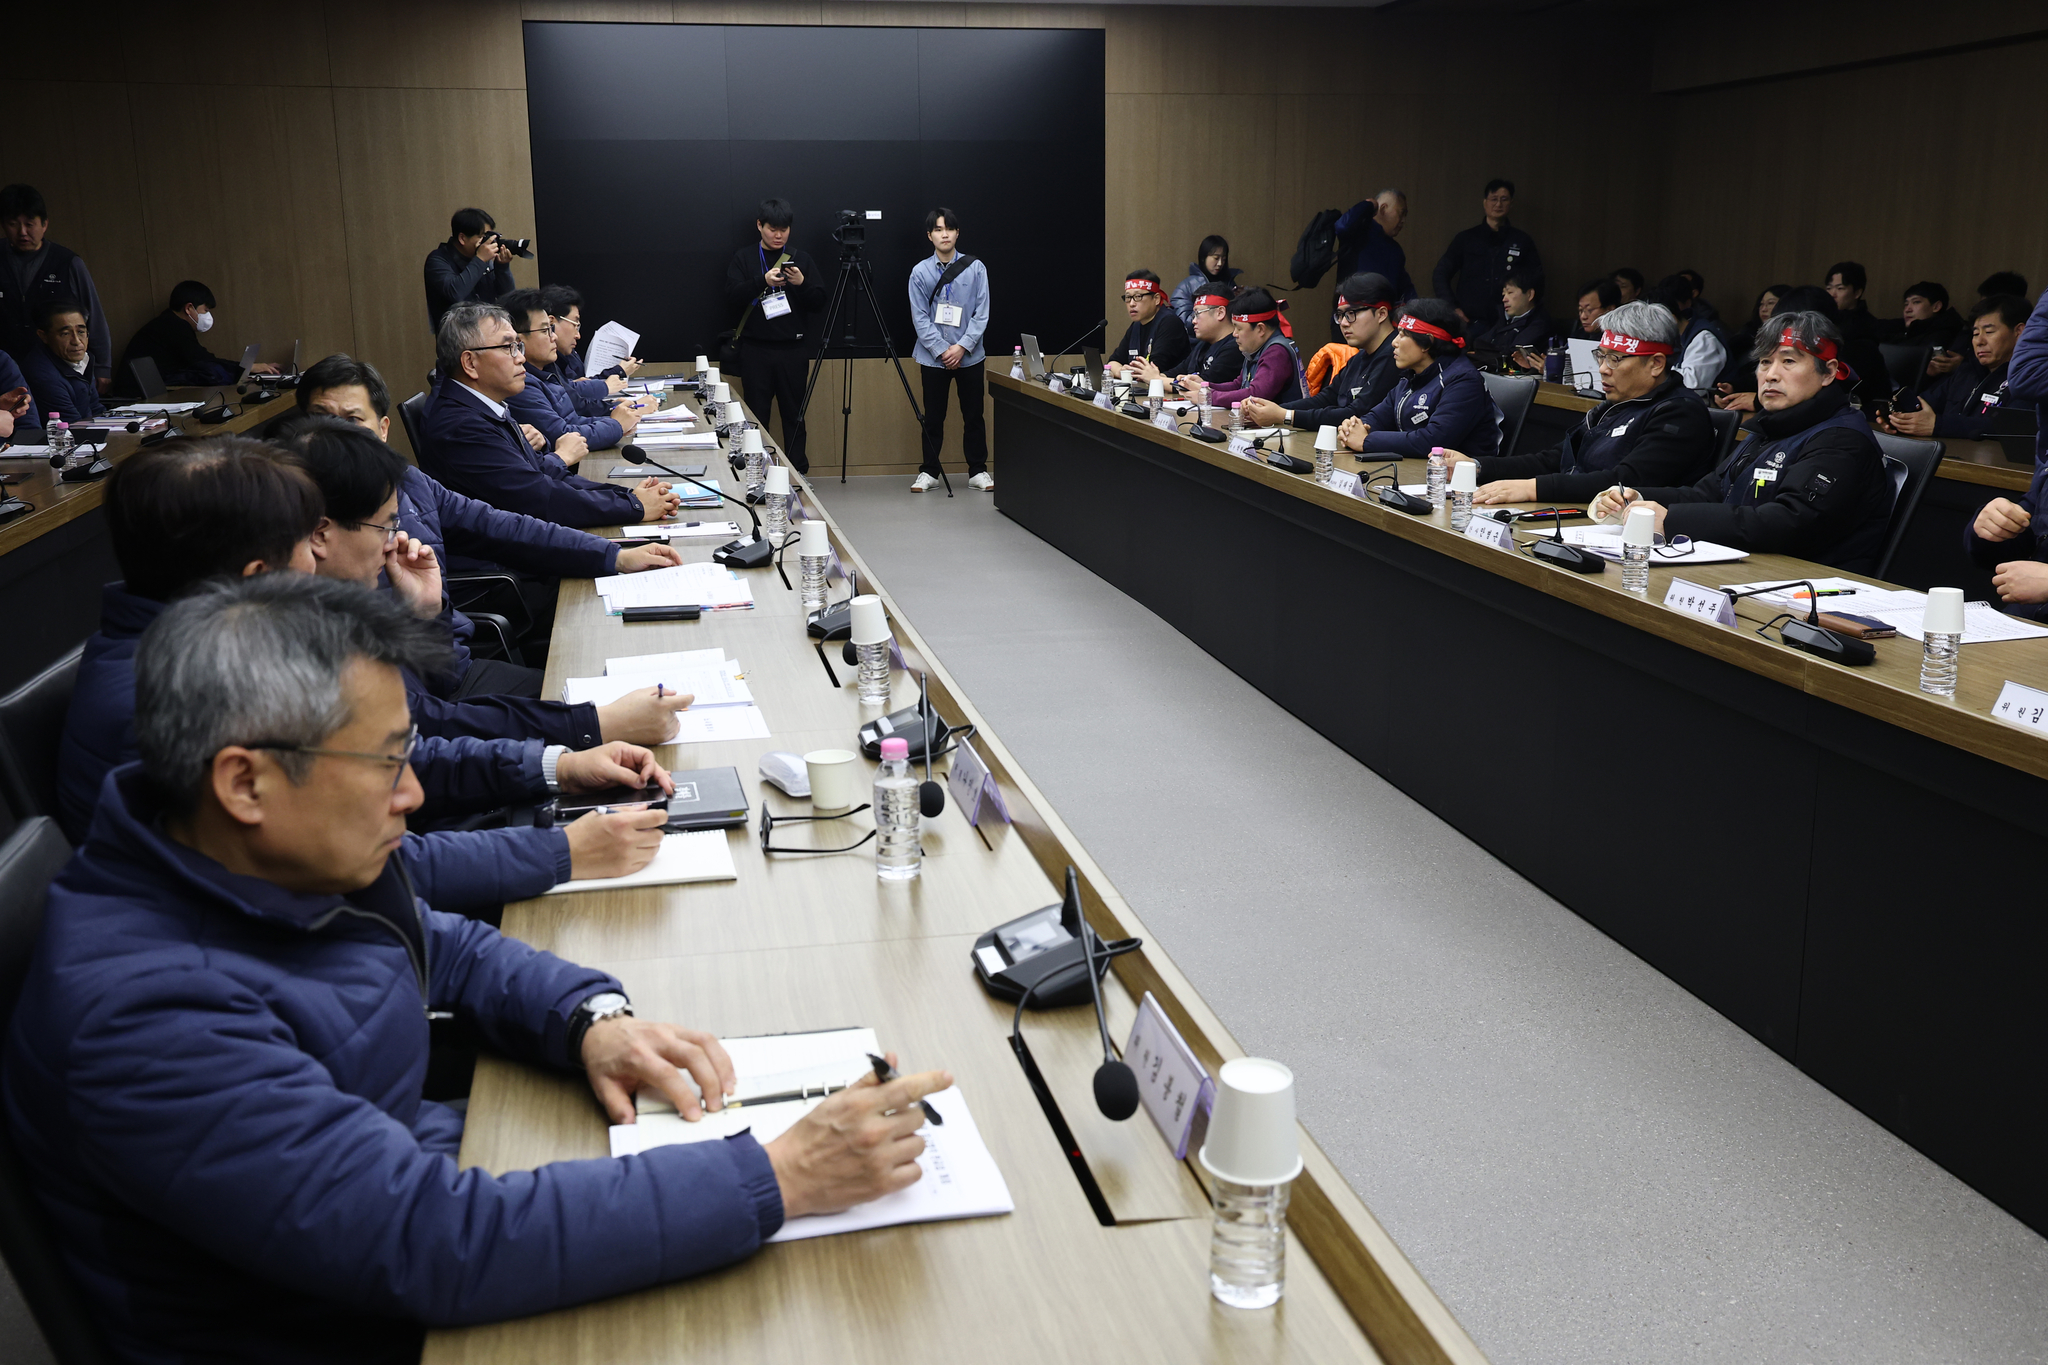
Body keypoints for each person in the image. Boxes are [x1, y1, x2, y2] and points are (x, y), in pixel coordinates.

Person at [8, 568, 952, 1363]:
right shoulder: (144, 1017)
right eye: (387, 764)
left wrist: (591, 1018)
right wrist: (777, 1178)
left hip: (408, 1181)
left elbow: (438, 940)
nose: (414, 794)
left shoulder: (256, 851)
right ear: (244, 780)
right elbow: (436, 1244)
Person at [54, 439, 674, 909]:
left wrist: (557, 765)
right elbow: (368, 871)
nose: (317, 554)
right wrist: (561, 851)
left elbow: (392, 755)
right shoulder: (178, 701)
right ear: (255, 577)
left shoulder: (222, 641)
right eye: (306, 539)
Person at [297, 354, 683, 696]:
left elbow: (501, 526)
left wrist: (613, 556)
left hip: (452, 673)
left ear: (382, 430)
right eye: (322, 420)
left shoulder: (407, 481)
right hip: (430, 702)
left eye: (352, 420)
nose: (336, 435)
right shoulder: (298, 532)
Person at [1590, 311, 1891, 572]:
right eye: (1764, 362)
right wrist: (1638, 500)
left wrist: (1672, 519)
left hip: (1808, 593)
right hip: (1749, 569)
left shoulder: (1841, 440)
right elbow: (1707, 493)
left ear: (1829, 373)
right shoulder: (1772, 427)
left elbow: (1788, 523)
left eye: (1788, 361)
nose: (1771, 375)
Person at [417, 303, 679, 527]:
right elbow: (540, 496)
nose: (520, 358)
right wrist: (632, 506)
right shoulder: (462, 425)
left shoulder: (488, 406)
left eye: (518, 347)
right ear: (470, 363)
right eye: (508, 348)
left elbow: (545, 476)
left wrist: (627, 496)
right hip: (512, 567)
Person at [1453, 301, 1715, 505]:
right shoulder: (1617, 404)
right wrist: (1478, 467)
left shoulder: (1679, 413)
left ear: (1656, 363)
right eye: (1601, 356)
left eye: (1615, 359)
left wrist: (1531, 488)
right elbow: (1556, 459)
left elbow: (1623, 482)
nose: (1602, 368)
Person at [722, 199, 826, 474]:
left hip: (794, 350)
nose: (779, 235)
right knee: (756, 417)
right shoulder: (744, 257)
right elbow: (731, 297)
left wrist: (802, 284)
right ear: (759, 226)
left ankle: (798, 474)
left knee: (795, 416)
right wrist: (762, 281)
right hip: (755, 351)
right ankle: (757, 474)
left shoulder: (800, 258)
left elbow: (819, 302)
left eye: (784, 229)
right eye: (772, 229)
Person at [1337, 299, 1499, 458]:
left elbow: (1432, 441)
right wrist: (1353, 427)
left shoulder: (1464, 380)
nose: (1394, 342)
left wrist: (1366, 440)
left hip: (1458, 478)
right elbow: (1377, 417)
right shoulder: (1411, 376)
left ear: (1427, 342)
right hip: (1415, 470)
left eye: (1402, 335)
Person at [1243, 273, 1401, 431]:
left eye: (1352, 313)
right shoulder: (1361, 357)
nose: (1344, 323)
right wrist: (1269, 409)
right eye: (1340, 315)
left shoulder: (1395, 357)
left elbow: (1355, 414)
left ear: (1381, 314)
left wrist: (1285, 416)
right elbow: (1326, 398)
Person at [908, 208, 992, 493]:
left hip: (969, 356)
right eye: (938, 229)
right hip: (933, 359)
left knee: (974, 416)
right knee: (933, 417)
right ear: (929, 235)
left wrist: (962, 346)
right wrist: (944, 350)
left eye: (950, 229)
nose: (945, 234)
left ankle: (978, 470)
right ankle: (929, 472)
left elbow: (982, 313)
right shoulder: (920, 272)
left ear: (957, 233)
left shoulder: (976, 268)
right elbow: (919, 317)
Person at [501, 287, 640, 460]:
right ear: (518, 342)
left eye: (552, 330)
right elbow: (562, 434)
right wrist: (616, 424)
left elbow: (573, 420)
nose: (554, 337)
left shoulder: (547, 371)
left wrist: (615, 418)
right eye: (545, 331)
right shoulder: (521, 385)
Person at [0, 184, 111, 393]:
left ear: (44, 224)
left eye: (30, 224)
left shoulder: (67, 262)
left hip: (58, 369)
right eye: (13, 224)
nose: (22, 232)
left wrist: (103, 368)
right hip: (6, 368)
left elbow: (93, 315)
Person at [1882, 295, 2031, 442]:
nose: (1979, 341)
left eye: (1989, 332)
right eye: (1976, 333)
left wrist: (1938, 425)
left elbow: (2013, 427)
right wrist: (1901, 420)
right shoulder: (1967, 371)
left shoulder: (2031, 378)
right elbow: (1926, 402)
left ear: (2019, 332)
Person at [116, 280, 276, 393]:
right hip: (138, 396)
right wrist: (248, 368)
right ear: (188, 308)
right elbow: (203, 360)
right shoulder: (172, 326)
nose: (207, 316)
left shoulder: (170, 323)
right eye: (205, 310)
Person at [1432, 180, 1541, 328]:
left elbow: (1537, 280)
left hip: (1510, 324)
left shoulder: (1522, 241)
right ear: (1485, 203)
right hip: (1471, 322)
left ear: (1511, 203)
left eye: (1504, 199)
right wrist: (1452, 308)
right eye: (1494, 199)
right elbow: (1440, 273)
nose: (1498, 204)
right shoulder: (1466, 239)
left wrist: (1525, 314)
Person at [1330, 191, 1413, 339]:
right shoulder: (1359, 232)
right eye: (1401, 213)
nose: (1403, 220)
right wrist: (1369, 205)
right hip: (1351, 316)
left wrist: (1416, 312)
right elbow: (1342, 226)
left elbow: (1405, 288)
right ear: (1383, 209)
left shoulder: (1396, 250)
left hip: (1382, 322)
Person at [1203, 287, 1302, 409]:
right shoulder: (1257, 347)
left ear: (1260, 329)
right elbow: (1239, 384)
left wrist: (1210, 397)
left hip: (1282, 426)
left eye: (1239, 328)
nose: (1234, 334)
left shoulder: (1277, 353)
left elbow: (1256, 395)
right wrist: (1204, 387)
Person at [424, 208, 517, 332]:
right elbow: (455, 292)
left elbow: (507, 297)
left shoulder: (482, 257)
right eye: (483, 237)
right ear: (462, 238)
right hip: (458, 337)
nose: (487, 242)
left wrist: (502, 267)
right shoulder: (438, 260)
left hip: (490, 331)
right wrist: (480, 260)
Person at [1140, 282, 1242, 394]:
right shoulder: (1203, 345)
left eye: (1197, 313)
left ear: (1220, 313)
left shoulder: (1235, 347)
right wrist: (1155, 375)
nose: (1193, 321)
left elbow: (1202, 387)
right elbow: (1178, 371)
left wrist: (1156, 379)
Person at [544, 283, 640, 398]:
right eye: (575, 325)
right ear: (551, 322)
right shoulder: (541, 363)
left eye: (578, 326)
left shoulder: (569, 355)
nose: (578, 335)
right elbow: (570, 398)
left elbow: (580, 388)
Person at [20, 298, 106, 423]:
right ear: (44, 336)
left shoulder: (83, 359)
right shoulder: (42, 375)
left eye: (81, 332)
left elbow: (95, 408)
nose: (76, 341)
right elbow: (70, 426)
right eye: (65, 334)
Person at [1645, 274, 1726, 398]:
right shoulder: (1670, 336)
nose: (1648, 329)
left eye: (1652, 323)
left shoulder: (1704, 338)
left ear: (1670, 319)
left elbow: (1692, 386)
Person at [1107, 271, 1190, 378]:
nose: (1132, 303)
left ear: (1156, 299)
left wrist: (1128, 372)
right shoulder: (1136, 325)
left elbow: (1155, 369)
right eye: (1128, 298)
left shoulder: (1169, 323)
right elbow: (1113, 362)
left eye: (1138, 296)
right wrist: (1120, 371)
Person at [1476, 269, 1553, 368]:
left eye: (1510, 292)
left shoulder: (1540, 324)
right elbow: (1480, 342)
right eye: (1504, 294)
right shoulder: (1504, 319)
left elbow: (1513, 354)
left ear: (1529, 294)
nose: (1504, 299)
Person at [1169, 235, 1241, 327]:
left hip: (1227, 337)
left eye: (1223, 259)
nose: (1220, 263)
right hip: (1197, 340)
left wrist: (1240, 300)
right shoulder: (1186, 286)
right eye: (1216, 258)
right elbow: (1184, 321)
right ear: (1203, 258)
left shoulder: (1229, 284)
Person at [1875, 280, 1966, 352]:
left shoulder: (1942, 336)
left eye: (1916, 302)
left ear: (1936, 307)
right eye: (1906, 304)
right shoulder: (1902, 330)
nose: (1908, 309)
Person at [1727, 284, 1791, 370]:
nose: (1764, 309)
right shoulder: (1746, 335)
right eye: (1761, 304)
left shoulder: (1790, 338)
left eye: (1770, 303)